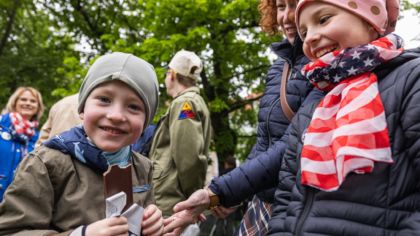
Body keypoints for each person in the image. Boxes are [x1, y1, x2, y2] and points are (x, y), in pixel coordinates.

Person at [162, 0, 316, 235]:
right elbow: (264, 142)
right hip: (261, 201)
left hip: (299, 205)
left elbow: (189, 158)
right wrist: (235, 192)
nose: (285, 17)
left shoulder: (327, 65)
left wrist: (215, 193)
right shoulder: (279, 68)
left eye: (294, 5)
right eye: (281, 6)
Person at [268, 0, 420, 235]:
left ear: (369, 22)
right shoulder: (314, 108)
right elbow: (286, 200)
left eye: (323, 19)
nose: (309, 38)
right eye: (304, 32)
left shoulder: (411, 81)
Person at [0, 52, 164, 236]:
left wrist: (152, 223)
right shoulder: (45, 164)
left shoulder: (143, 167)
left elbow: (143, 214)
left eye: (134, 107)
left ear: (145, 122)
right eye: (104, 100)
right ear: (82, 109)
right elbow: (11, 231)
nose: (116, 115)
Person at [149, 49, 212, 218]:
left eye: (167, 72)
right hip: (175, 199)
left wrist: (192, 199)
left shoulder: (185, 103)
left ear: (173, 74)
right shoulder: (191, 101)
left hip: (172, 202)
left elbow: (189, 157)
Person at [0, 86, 44, 201]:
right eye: (23, 99)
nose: (28, 103)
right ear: (15, 102)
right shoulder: (1, 124)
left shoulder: (39, 137)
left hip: (17, 200)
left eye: (33, 101)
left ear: (38, 107)